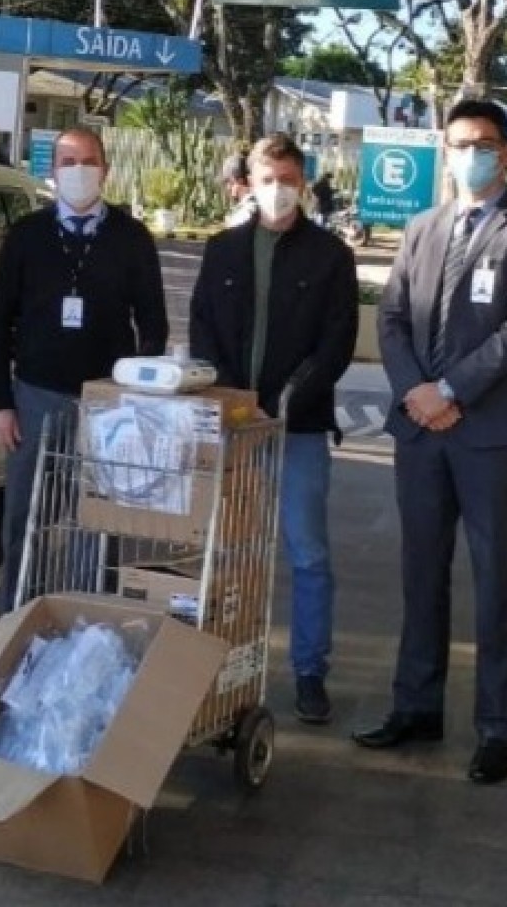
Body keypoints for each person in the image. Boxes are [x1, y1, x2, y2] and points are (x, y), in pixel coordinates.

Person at [353, 99, 507, 786]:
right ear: (443, 152)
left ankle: (499, 726)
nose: (469, 154)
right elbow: (391, 318)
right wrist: (417, 390)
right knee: (421, 573)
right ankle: (415, 706)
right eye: (458, 143)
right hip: (420, 433)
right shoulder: (421, 227)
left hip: (494, 435)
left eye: (483, 142)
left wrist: (449, 392)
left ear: (506, 152)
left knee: (498, 579)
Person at [190, 134, 358, 725]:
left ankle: (310, 671)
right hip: (234, 429)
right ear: (249, 183)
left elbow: (336, 344)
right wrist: (238, 402)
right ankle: (221, 660)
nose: (278, 190)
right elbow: (203, 329)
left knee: (307, 554)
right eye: (268, 179)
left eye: (288, 179)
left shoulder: (331, 256)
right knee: (230, 550)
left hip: (301, 430)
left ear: (303, 182)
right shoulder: (222, 250)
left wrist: (283, 402)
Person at [0, 126, 168, 611]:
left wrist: (137, 399)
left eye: (88, 161)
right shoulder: (26, 236)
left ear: (105, 170)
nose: (78, 171)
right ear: (53, 171)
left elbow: (153, 323)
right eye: (68, 161)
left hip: (107, 405)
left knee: (98, 525)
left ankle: (88, 622)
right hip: (34, 396)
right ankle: (16, 619)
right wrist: (1, 403)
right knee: (27, 518)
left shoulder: (131, 238)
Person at [220, 153, 255, 226]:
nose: (227, 187)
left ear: (239, 181)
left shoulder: (245, 213)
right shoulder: (251, 207)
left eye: (228, 181)